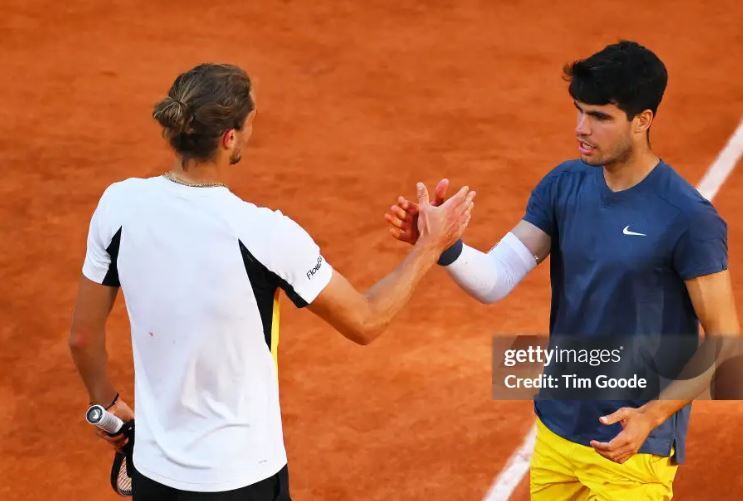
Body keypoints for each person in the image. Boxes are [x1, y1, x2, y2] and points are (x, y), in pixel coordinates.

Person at [69, 63, 475, 501]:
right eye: (250, 123)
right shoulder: (263, 233)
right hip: (245, 479)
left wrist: (105, 402)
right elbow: (366, 320)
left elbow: (82, 336)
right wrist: (430, 247)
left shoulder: (119, 206)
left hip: (155, 476)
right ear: (229, 138)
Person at [385, 41, 740, 500]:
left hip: (631, 449)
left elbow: (724, 341)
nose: (581, 129)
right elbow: (496, 280)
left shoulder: (687, 219)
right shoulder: (563, 185)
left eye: (599, 117)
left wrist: (652, 415)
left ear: (643, 120)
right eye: (579, 111)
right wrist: (444, 247)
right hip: (557, 431)